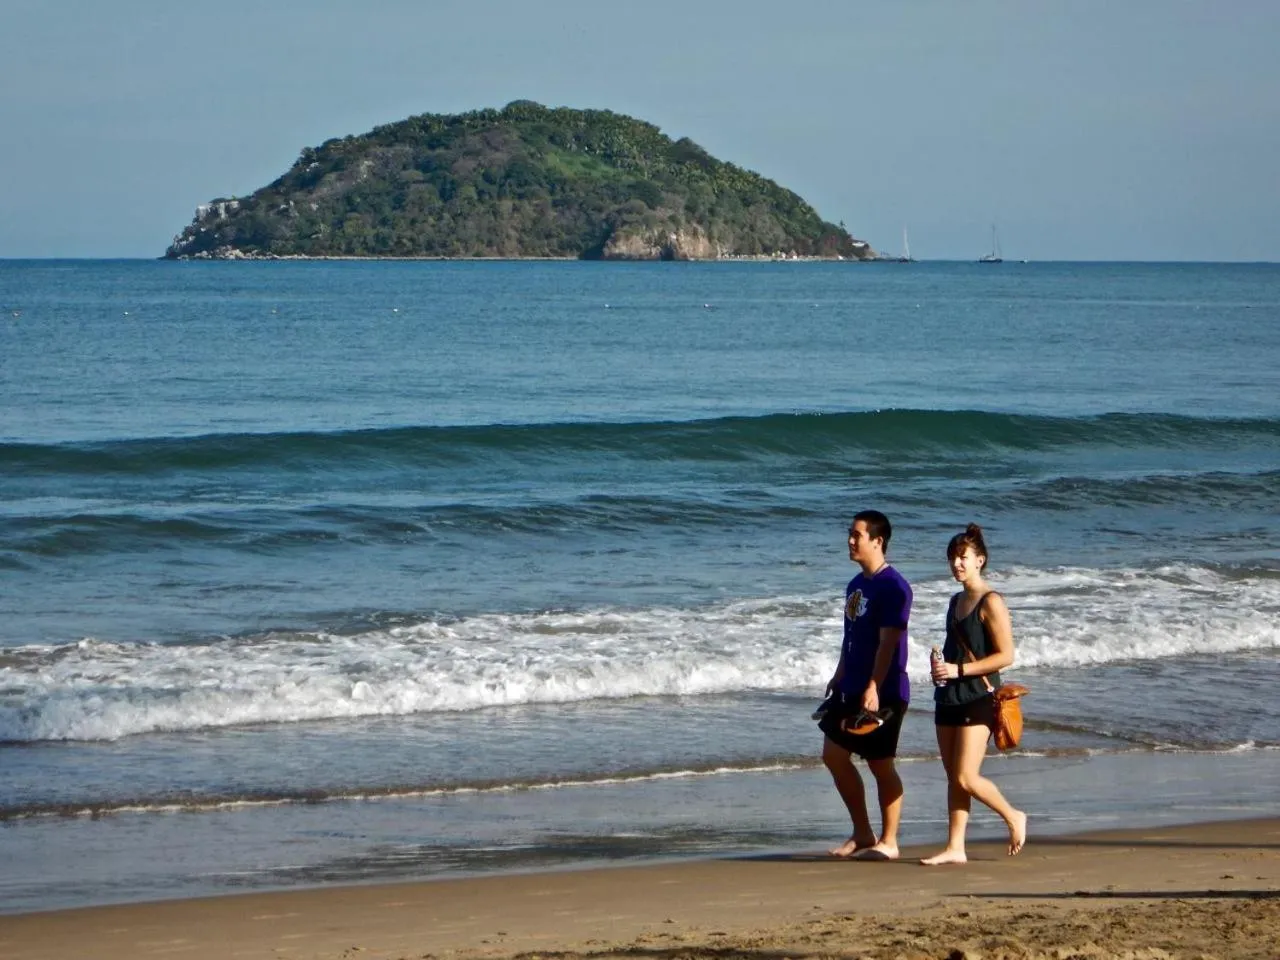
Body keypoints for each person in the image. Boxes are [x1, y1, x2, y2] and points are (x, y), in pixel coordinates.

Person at [921, 523, 1027, 864]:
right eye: (952, 558)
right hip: (948, 696)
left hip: (978, 697)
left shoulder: (991, 601)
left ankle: (1013, 816)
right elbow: (957, 651)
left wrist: (960, 671)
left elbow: (1006, 655)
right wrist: (940, 666)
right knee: (953, 777)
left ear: (980, 560)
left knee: (967, 776)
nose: (956, 564)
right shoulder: (954, 602)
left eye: (963, 557)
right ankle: (955, 848)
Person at [818, 510, 912, 860]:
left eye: (857, 535)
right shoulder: (856, 585)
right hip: (851, 685)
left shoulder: (894, 587)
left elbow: (888, 643)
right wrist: (839, 674)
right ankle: (862, 832)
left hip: (885, 692)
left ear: (878, 541)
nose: (851, 540)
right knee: (833, 756)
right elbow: (851, 637)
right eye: (850, 533)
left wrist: (873, 685)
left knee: (880, 764)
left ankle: (889, 840)